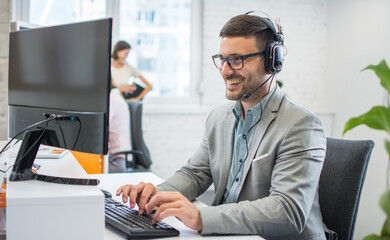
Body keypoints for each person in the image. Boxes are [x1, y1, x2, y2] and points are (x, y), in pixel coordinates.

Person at [116, 13, 329, 240]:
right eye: (223, 59)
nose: (226, 71)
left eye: (237, 59)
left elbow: (288, 211)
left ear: (271, 61)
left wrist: (201, 217)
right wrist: (158, 194)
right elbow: (196, 173)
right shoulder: (220, 117)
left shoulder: (301, 125)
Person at [108, 80, 133, 173]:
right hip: (113, 157)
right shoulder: (113, 96)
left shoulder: (112, 99)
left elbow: (99, 127)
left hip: (116, 160)